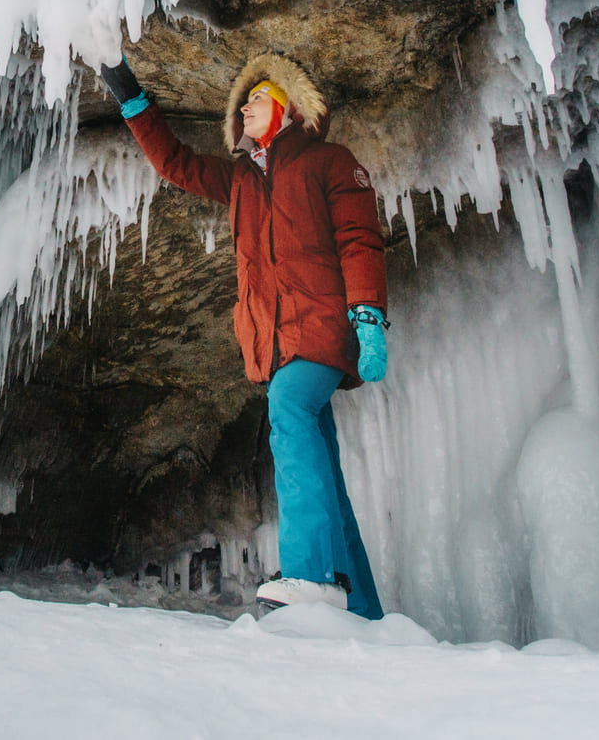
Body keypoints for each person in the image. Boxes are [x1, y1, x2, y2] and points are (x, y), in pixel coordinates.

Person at [98, 52, 388, 618]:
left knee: (287, 407)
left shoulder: (329, 162)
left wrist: (369, 317)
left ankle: (311, 576)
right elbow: (175, 163)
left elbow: (359, 238)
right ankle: (363, 610)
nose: (248, 104)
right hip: (276, 342)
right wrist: (130, 94)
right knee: (321, 462)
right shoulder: (239, 181)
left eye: (259, 96)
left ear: (286, 106)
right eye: (245, 100)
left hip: (323, 329)